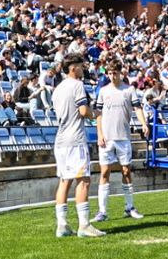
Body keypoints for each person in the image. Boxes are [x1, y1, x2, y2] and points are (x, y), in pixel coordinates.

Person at [52, 54, 102, 238]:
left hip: (61, 140)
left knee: (64, 181)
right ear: (73, 68)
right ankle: (84, 225)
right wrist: (95, 113)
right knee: (83, 180)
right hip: (75, 140)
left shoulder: (57, 89)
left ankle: (62, 225)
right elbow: (83, 111)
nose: (83, 68)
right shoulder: (77, 85)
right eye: (81, 66)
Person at [93, 69, 144, 222]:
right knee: (104, 172)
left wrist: (144, 123)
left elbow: (138, 108)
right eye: (110, 73)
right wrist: (100, 134)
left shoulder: (129, 89)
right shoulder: (103, 91)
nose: (112, 76)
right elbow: (98, 114)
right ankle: (102, 211)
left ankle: (129, 207)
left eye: (115, 73)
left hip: (123, 137)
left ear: (120, 73)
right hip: (107, 139)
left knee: (126, 171)